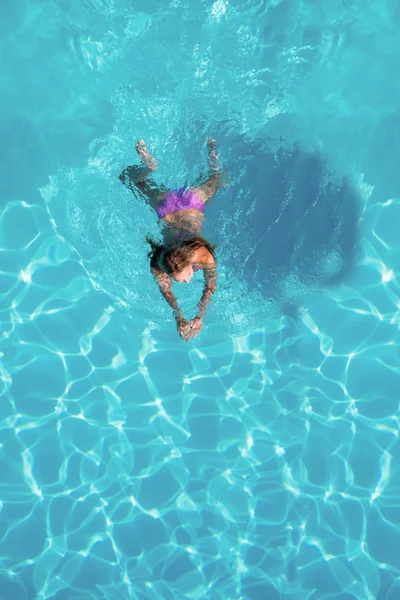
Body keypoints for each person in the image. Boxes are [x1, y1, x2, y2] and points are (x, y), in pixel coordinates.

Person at [119, 138, 222, 341]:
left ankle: (151, 165)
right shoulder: (163, 261)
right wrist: (180, 316)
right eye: (183, 278)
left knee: (218, 177)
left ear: (190, 260)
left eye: (185, 276)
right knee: (131, 180)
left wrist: (197, 316)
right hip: (169, 208)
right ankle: (208, 150)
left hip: (189, 205)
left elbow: (208, 287)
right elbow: (174, 288)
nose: (185, 281)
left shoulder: (200, 255)